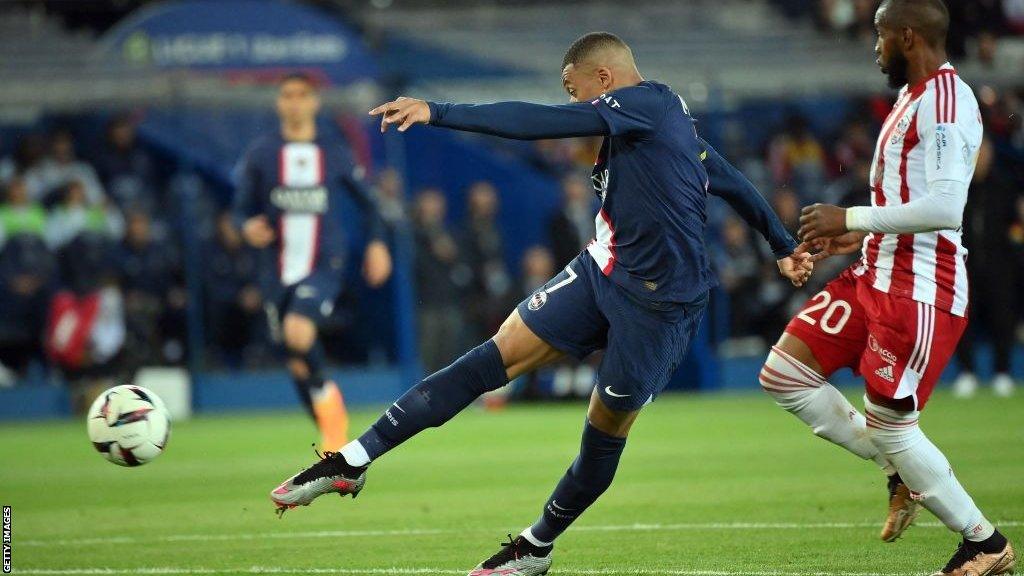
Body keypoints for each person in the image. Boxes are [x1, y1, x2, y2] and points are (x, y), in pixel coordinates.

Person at [269, 32, 810, 576]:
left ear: (603, 80)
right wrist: (783, 246)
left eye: (576, 92)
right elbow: (730, 179)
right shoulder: (659, 128)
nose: (576, 106)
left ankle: (536, 546)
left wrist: (437, 111)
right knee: (490, 358)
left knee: (603, 431)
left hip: (662, 306)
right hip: (602, 270)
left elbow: (538, 121)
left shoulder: (647, 105)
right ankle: (353, 460)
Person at [762, 2, 1015, 575]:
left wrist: (851, 219)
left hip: (918, 288)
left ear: (907, 36)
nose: (874, 49)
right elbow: (909, 197)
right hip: (874, 271)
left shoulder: (948, 102)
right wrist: (859, 236)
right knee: (784, 373)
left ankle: (984, 543)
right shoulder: (910, 97)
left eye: (879, 38)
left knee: (893, 425)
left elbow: (948, 206)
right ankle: (899, 468)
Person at [234, 72, 392, 452]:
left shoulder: (333, 151)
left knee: (298, 332)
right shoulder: (261, 153)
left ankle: (335, 426)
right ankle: (330, 436)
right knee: (296, 360)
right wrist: (246, 226)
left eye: (302, 95)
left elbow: (370, 205)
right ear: (279, 103)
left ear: (314, 102)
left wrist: (376, 245)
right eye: (287, 95)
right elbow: (240, 209)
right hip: (276, 268)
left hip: (323, 262)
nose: (294, 102)